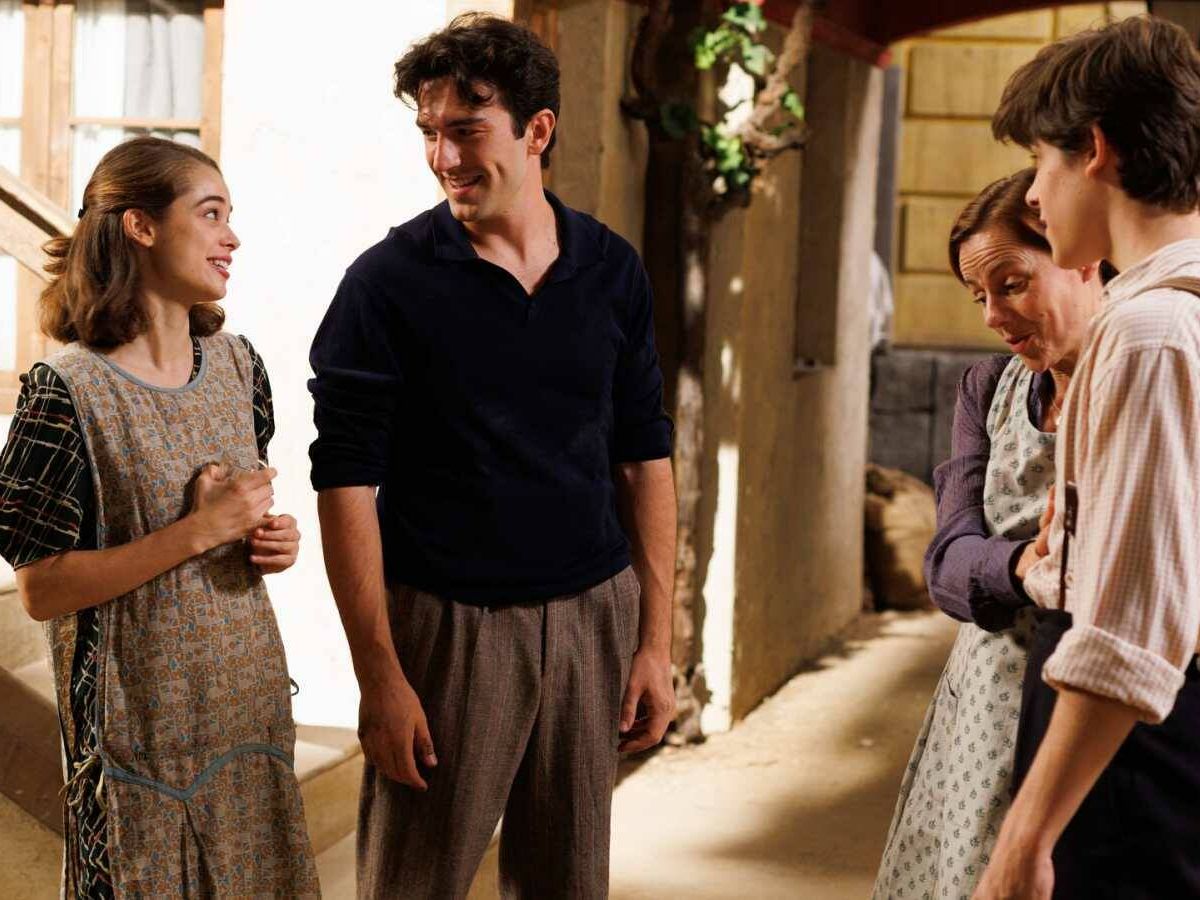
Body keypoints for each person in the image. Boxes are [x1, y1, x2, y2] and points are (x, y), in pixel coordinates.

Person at [307, 14, 677, 899]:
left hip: (592, 615)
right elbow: (346, 482)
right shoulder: (385, 284)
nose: (443, 157)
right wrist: (379, 677)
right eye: (428, 132)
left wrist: (655, 642)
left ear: (536, 130)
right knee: (411, 886)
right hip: (449, 629)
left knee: (567, 885)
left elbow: (644, 458)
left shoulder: (611, 269)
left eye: (466, 131)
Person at [0, 136, 318, 897]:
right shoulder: (65, 392)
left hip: (248, 718)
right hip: (136, 746)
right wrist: (197, 531)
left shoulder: (241, 368)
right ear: (140, 226)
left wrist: (269, 541)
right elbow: (42, 590)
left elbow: (234, 530)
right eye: (210, 214)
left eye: (229, 216)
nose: (231, 237)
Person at [975, 15, 1200, 899]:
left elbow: (1131, 624)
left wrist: (1025, 837)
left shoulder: (1151, 331)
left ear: (1095, 150)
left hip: (1136, 756)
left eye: (1041, 161)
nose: (1034, 194)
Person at [872, 169, 1103, 900]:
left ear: (1079, 258)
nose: (994, 316)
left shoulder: (1139, 378)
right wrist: (1023, 565)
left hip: (1088, 706)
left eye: (1012, 284)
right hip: (983, 700)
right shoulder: (989, 389)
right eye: (980, 296)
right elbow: (947, 565)